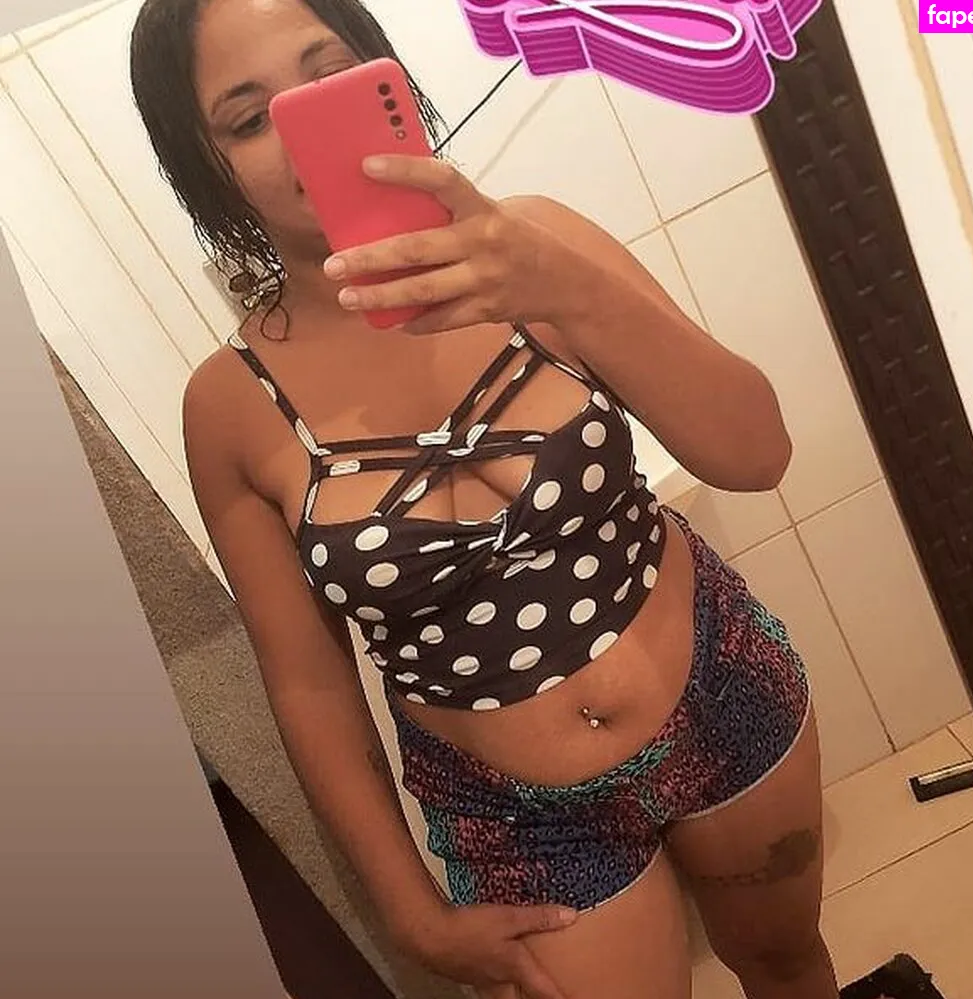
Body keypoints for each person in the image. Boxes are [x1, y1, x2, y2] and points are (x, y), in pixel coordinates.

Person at [129, 1, 839, 997]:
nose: (299, 132)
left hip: (719, 689)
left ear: (383, 74)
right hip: (515, 817)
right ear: (207, 167)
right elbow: (308, 683)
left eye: (328, 75)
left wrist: (562, 285)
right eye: (249, 120)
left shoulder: (538, 239)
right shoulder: (229, 406)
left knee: (788, 962)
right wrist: (407, 908)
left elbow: (756, 453)